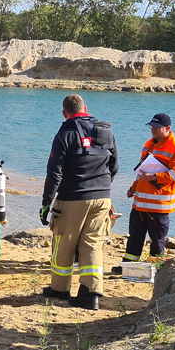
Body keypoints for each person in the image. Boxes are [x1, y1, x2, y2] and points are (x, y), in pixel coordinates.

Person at [39, 94, 118, 311]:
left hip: (72, 197)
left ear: (64, 114)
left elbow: (54, 173)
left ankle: (60, 289)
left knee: (64, 242)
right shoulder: (106, 130)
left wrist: (46, 203)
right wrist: (101, 187)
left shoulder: (65, 134)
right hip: (102, 197)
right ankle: (90, 294)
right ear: (86, 108)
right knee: (92, 244)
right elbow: (114, 166)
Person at [113, 113, 175, 272]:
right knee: (135, 237)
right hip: (140, 203)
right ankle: (128, 266)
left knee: (157, 240)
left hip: (159, 205)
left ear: (167, 129)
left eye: (157, 127)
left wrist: (154, 177)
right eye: (151, 126)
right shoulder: (149, 144)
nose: (153, 130)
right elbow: (142, 170)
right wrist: (133, 188)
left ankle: (155, 270)